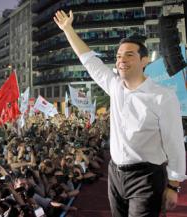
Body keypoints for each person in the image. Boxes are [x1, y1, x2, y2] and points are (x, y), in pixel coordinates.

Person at [54, 10, 186, 217]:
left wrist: (173, 185)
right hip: (115, 174)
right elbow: (89, 60)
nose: (121, 60)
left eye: (129, 54)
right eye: (118, 56)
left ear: (144, 61)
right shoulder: (115, 87)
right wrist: (68, 30)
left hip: (147, 177)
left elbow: (175, 143)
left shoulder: (162, 97)